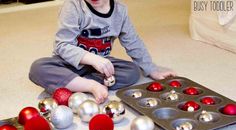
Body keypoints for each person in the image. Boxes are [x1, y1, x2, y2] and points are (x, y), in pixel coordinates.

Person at [29, 0, 175, 104]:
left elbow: (133, 42)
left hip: (100, 65)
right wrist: (91, 58)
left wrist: (151, 69)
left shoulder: (120, 11)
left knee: (132, 72)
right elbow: (62, 45)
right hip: (68, 63)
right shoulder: (73, 6)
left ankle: (75, 83)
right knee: (38, 68)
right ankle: (90, 86)